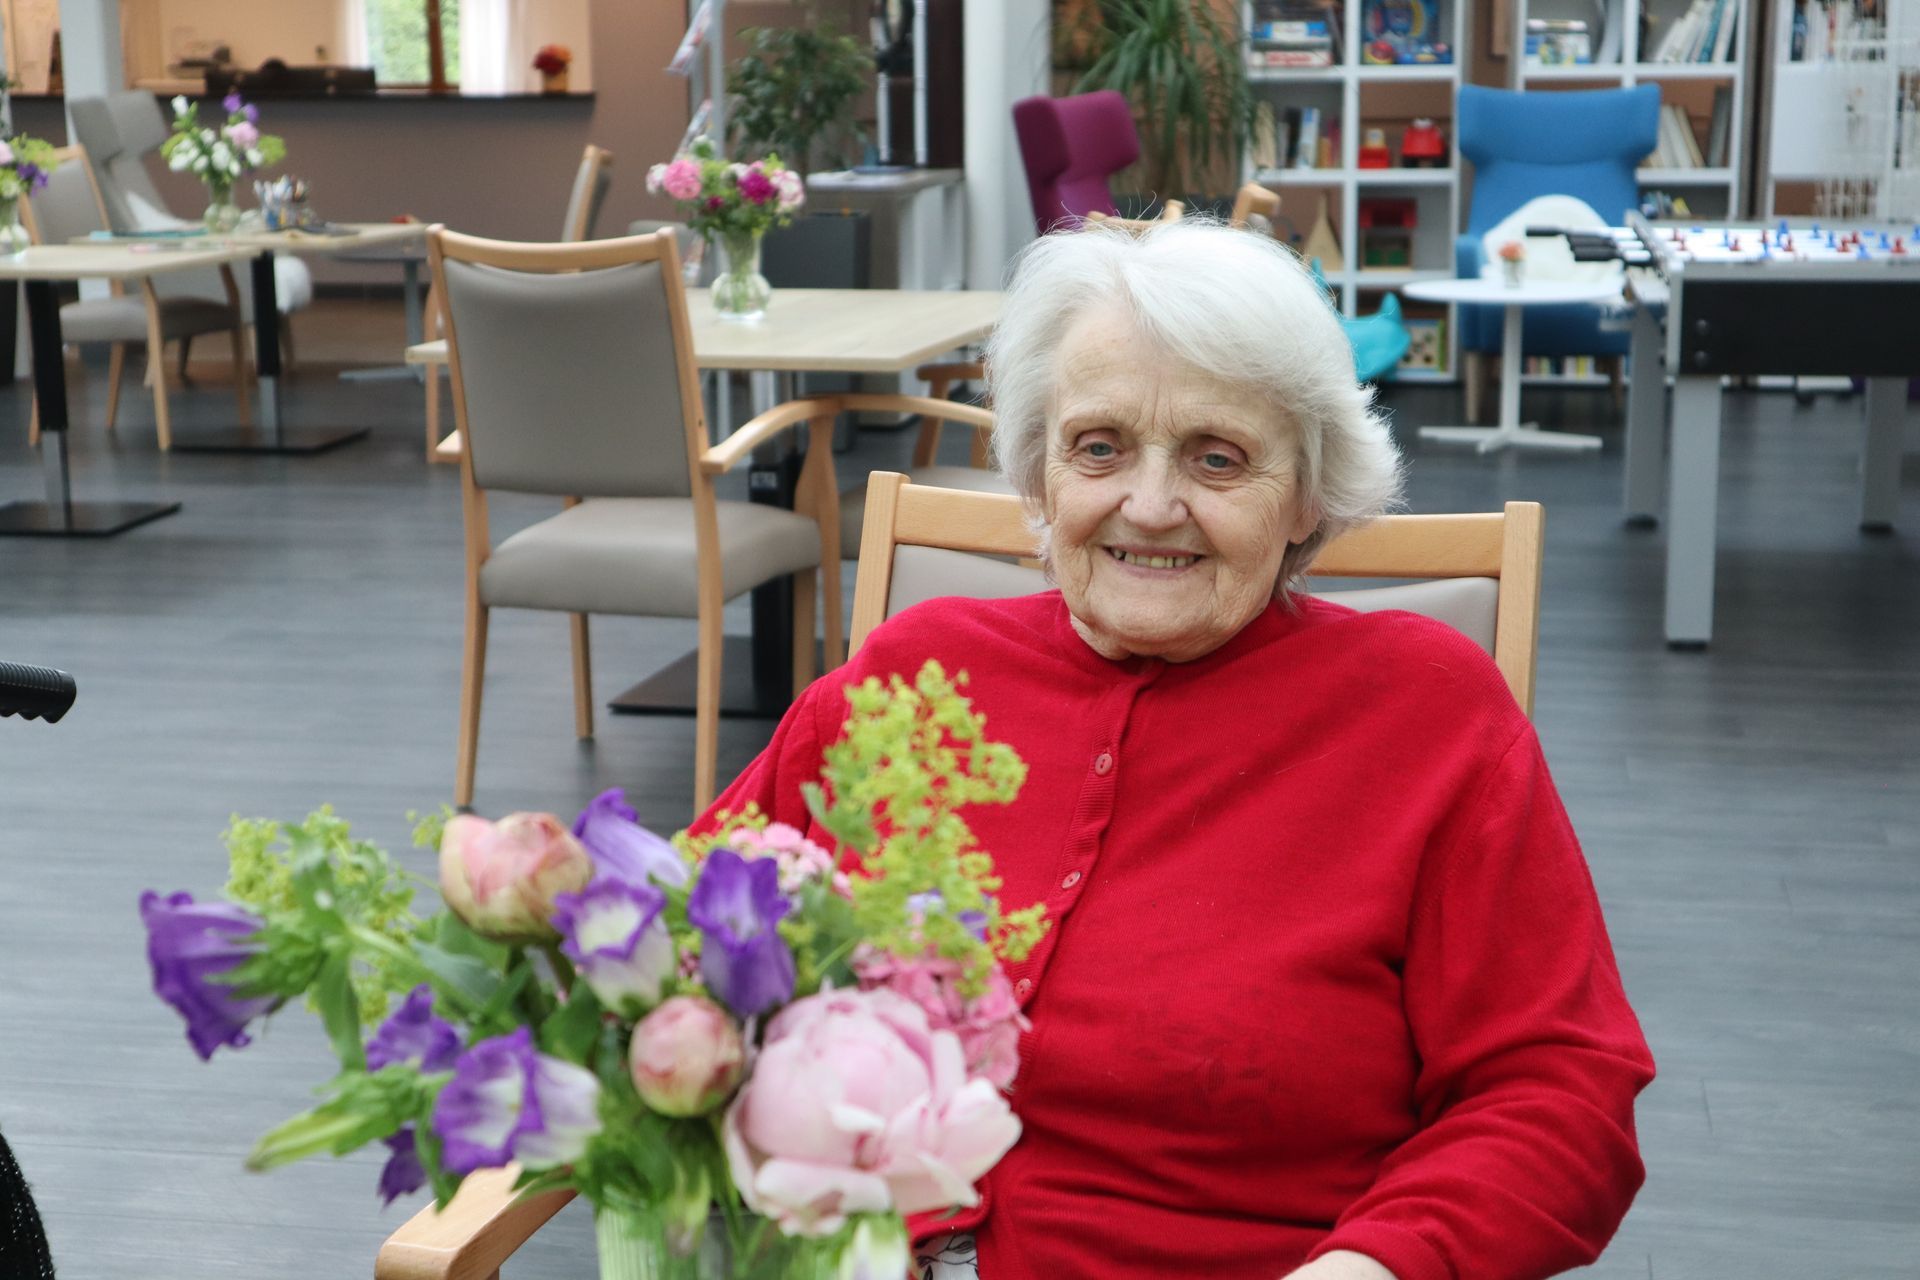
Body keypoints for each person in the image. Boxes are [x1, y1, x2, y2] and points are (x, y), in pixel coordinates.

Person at [701, 220, 1655, 1280]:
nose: (1150, 506)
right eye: (1100, 446)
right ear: (1038, 473)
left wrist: (1378, 1266)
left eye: (1218, 457)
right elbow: (671, 942)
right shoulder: (911, 677)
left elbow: (1558, 1090)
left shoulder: (1426, 714)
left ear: (1306, 494)